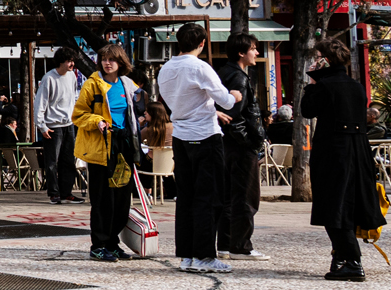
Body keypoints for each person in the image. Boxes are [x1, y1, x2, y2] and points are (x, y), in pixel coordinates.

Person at [155, 21, 240, 274]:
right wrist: (235, 95)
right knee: (209, 197)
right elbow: (225, 100)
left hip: (181, 136)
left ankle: (187, 255)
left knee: (186, 197)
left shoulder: (165, 69)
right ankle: (204, 256)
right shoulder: (200, 67)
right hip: (204, 136)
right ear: (202, 43)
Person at [301, 38, 378, 282]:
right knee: (347, 203)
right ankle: (341, 257)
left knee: (332, 204)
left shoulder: (324, 86)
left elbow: (307, 110)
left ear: (325, 60)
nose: (315, 62)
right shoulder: (356, 86)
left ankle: (352, 261)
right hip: (358, 149)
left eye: (318, 58)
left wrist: (312, 82)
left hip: (334, 151)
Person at [70, 42, 143, 262]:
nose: (107, 63)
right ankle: (99, 245)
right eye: (103, 59)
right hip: (101, 148)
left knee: (122, 199)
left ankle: (112, 242)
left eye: (112, 59)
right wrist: (97, 121)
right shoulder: (92, 85)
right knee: (103, 199)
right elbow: (78, 115)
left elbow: (136, 112)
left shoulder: (128, 84)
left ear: (121, 62)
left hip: (124, 145)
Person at [218, 34, 269, 259]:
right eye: (253, 48)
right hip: (240, 146)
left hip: (227, 145)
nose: (256, 53)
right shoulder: (238, 77)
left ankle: (226, 243)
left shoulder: (225, 73)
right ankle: (240, 246)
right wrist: (249, 142)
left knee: (229, 196)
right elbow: (234, 117)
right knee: (246, 196)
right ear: (241, 53)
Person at [35, 47, 83, 204]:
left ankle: (66, 192)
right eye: (69, 61)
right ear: (61, 61)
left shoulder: (72, 76)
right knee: (52, 162)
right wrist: (42, 126)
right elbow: (40, 102)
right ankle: (54, 193)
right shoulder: (49, 78)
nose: (72, 64)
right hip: (52, 125)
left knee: (68, 160)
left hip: (69, 123)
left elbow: (74, 97)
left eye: (73, 61)